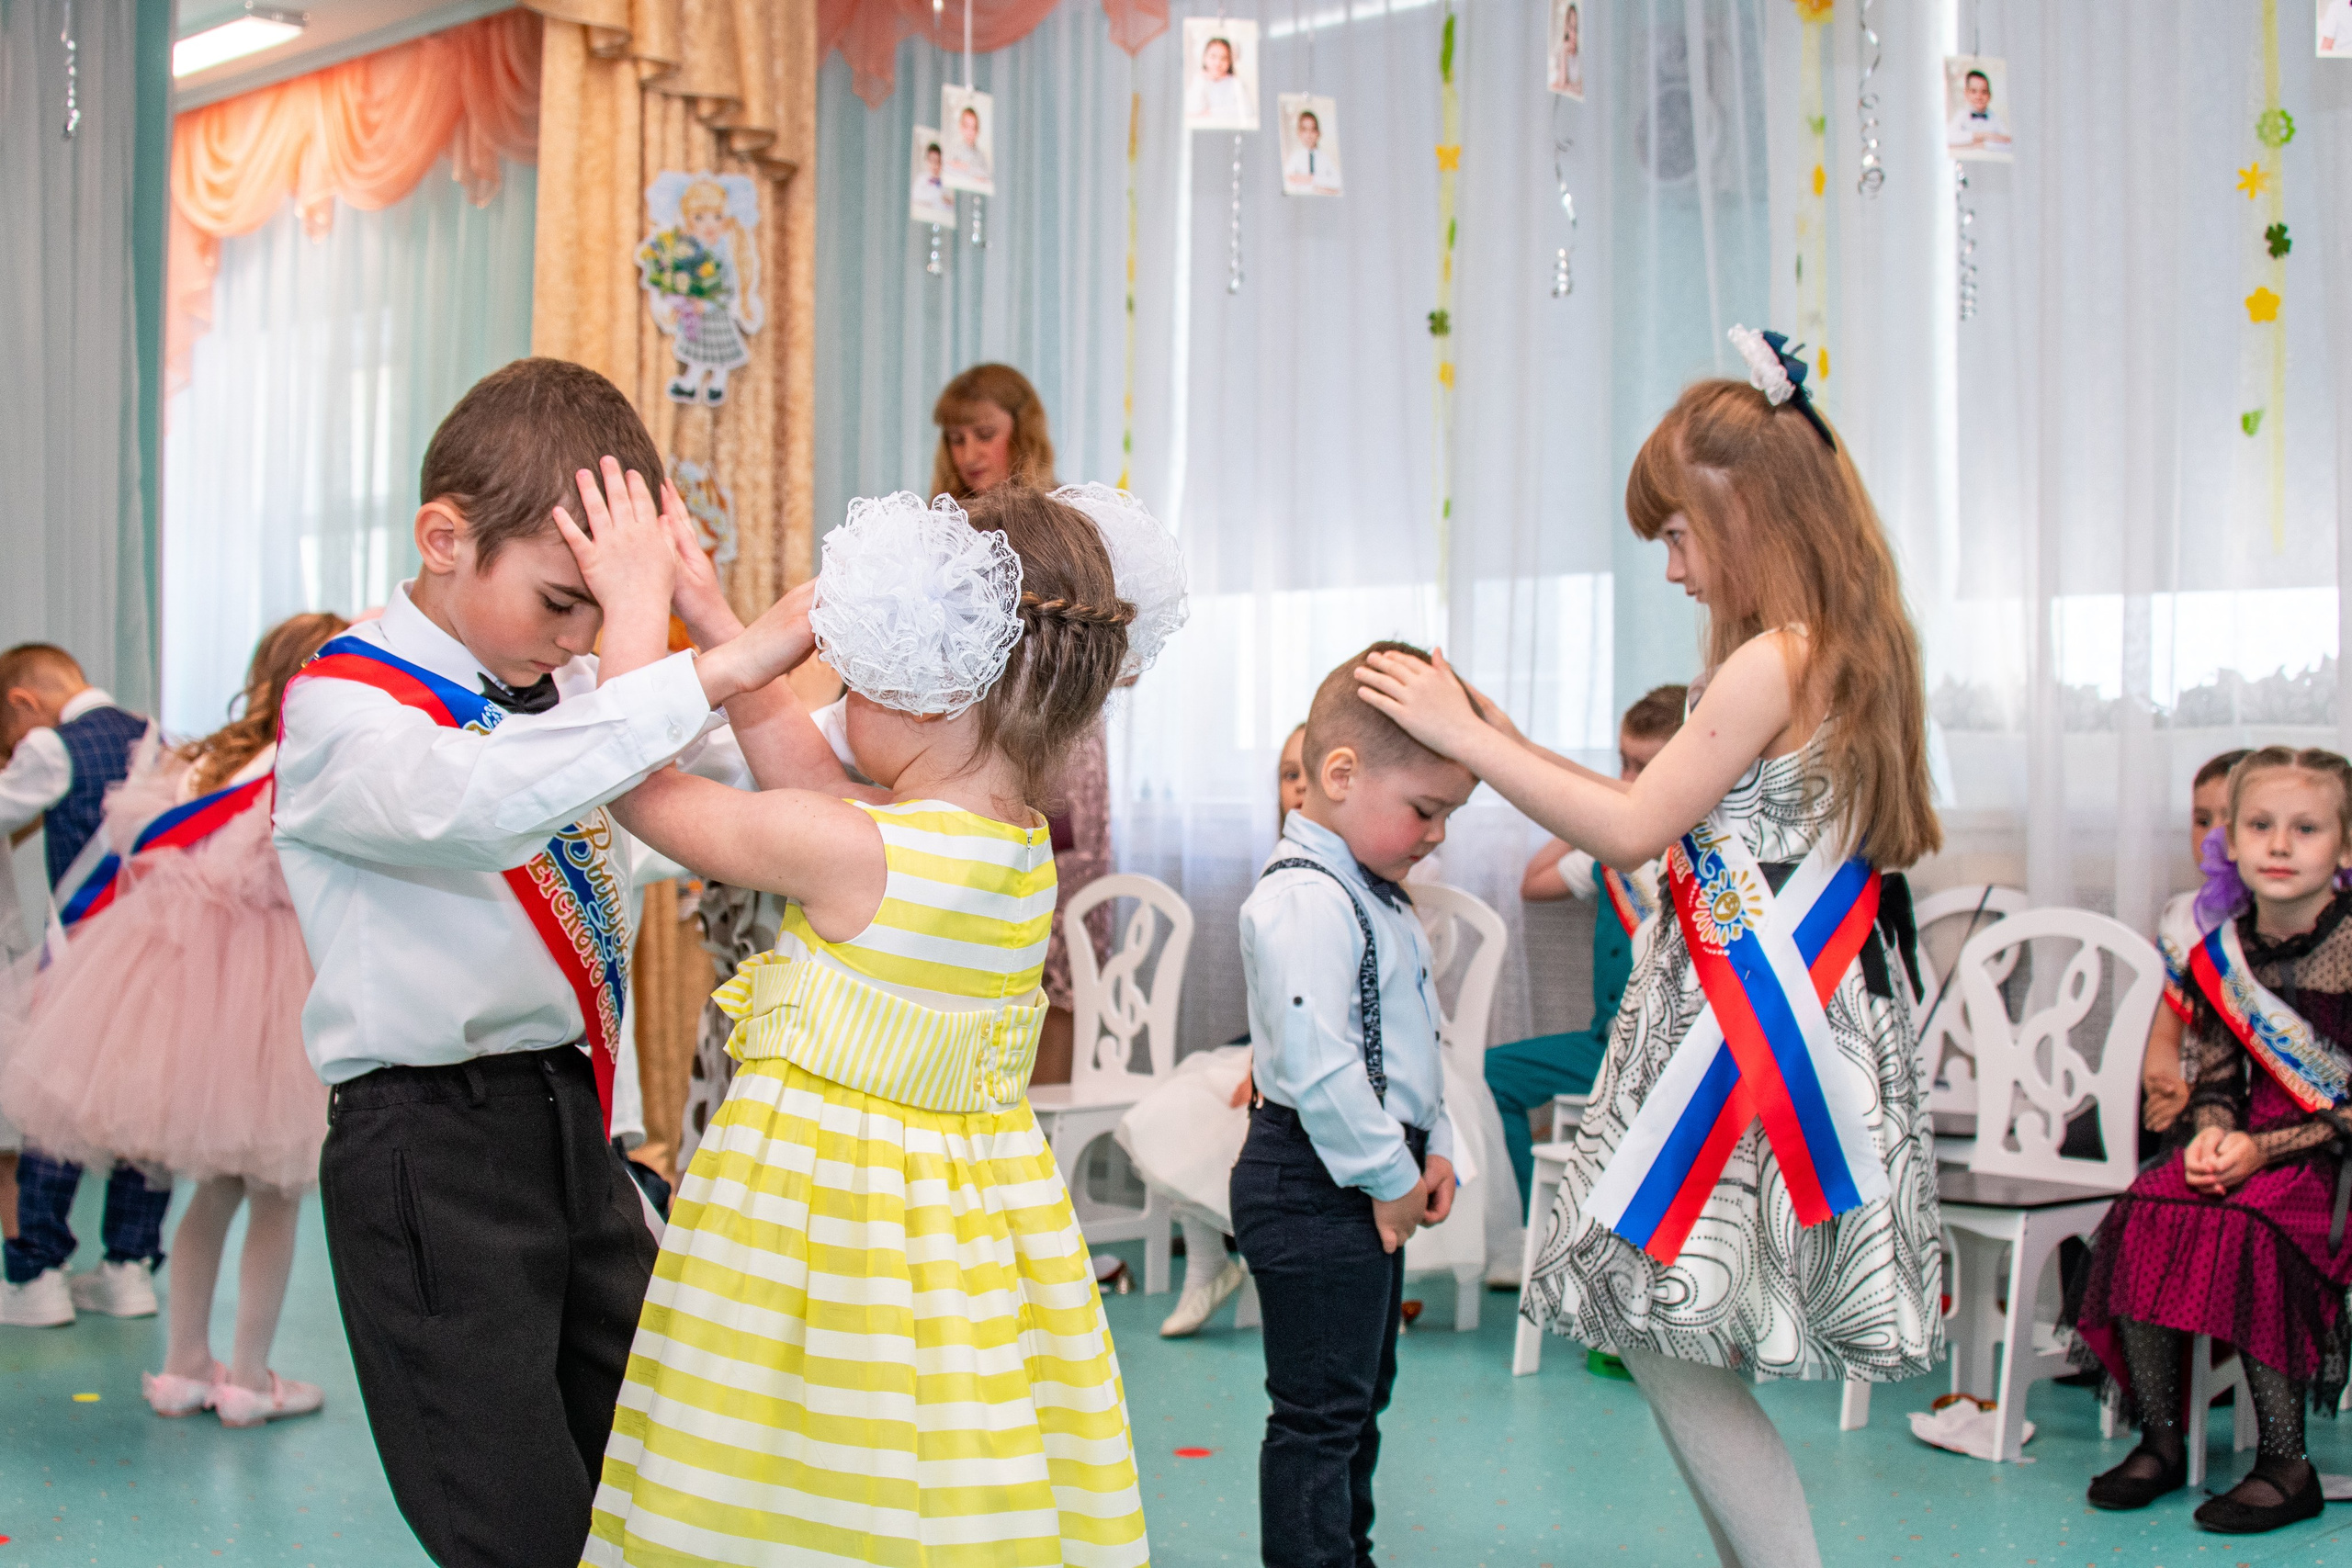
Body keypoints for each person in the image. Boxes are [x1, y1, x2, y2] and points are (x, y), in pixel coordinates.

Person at [1357, 334, 1942, 1568]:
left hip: (1747, 1033)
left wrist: (1465, 730)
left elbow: (1629, 826)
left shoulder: (1766, 656)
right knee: (1674, 1332)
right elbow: (1665, 814)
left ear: (1745, 515)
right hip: (1786, 1011)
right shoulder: (1830, 648)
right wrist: (1508, 741)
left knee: (1667, 1336)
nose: (1672, 568)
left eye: (1677, 535)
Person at [271, 357, 804, 1567]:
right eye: (564, 600)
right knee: (511, 1520)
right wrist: (699, 664)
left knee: (641, 1489)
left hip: (576, 1130)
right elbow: (487, 804)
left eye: (599, 611)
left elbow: (759, 770)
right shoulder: (343, 708)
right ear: (445, 537)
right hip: (431, 1152)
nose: (581, 639)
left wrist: (718, 628)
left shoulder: (567, 699)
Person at [579, 485, 1159, 1568]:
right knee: (927, 1451)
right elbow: (807, 779)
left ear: (936, 695)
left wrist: (633, 603)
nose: (835, 704)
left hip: (820, 1224)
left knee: (784, 1458)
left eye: (852, 679)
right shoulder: (1008, 842)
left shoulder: (859, 850)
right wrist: (712, 616)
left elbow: (634, 790)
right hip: (956, 1232)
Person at [0, 613, 344, 1421]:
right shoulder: (308, 760)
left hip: (193, 984)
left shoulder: (205, 759)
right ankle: (251, 1381)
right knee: (276, 1192)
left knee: (216, 1185)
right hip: (269, 983)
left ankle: (187, 1363)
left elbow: (149, 847)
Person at [2075, 747, 2352, 1534]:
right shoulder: (2215, 954)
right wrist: (2211, 1133)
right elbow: (2220, 1080)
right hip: (2255, 1144)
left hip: (2332, 1158)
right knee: (2150, 1205)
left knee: (2251, 1226)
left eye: (2306, 828)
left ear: (2345, 847)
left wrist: (2260, 1150)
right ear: (2229, 842)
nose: (2279, 843)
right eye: (2260, 825)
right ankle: (2162, 1439)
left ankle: (2286, 1460)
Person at [1233, 644, 1467, 1568]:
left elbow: (1417, 1041)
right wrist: (1389, 1177)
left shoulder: (1385, 902)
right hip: (1311, 1179)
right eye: (1425, 809)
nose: (1437, 833)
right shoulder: (1302, 899)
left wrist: (1434, 1143)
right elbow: (1319, 1065)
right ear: (1339, 775)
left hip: (1368, 1175)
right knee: (1316, 1418)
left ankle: (1347, 1554)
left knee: (1359, 1398)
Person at [0, 642, 173, 1329]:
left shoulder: (49, 746)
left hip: (83, 958)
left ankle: (37, 1273)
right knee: (150, 1109)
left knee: (57, 1109)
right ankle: (128, 1267)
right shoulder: (156, 736)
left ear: (24, 704)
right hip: (158, 956)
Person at [1120, 720, 1307, 1338]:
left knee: (1232, 1110)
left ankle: (1266, 1267)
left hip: (1333, 1050)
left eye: (1311, 771)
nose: (1300, 787)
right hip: (1275, 1040)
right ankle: (1209, 1263)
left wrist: (1269, 1061)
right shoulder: (1280, 867)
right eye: (1288, 774)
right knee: (1178, 1102)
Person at [1485, 683, 1685, 1211]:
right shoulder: (1613, 854)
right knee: (1489, 1075)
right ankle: (1532, 1224)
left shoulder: (1697, 859)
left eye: (1644, 767)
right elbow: (1534, 883)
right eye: (1622, 763)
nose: (1627, 781)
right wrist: (1585, 815)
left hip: (1668, 1055)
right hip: (1604, 1045)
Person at [2142, 749, 2254, 1135]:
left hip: (2254, 1115)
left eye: (2232, 819)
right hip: (2186, 1098)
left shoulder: (2289, 923)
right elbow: (2164, 1033)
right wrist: (2165, 1084)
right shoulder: (2180, 916)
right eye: (2202, 820)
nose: (2213, 836)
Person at [1946, 68, 2012, 155]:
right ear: (1966, 94)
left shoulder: (1995, 118)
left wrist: (1983, 145)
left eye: (1984, 92)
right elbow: (1949, 138)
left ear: (1989, 95)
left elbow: (2008, 142)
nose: (1979, 96)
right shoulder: (1962, 115)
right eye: (1974, 91)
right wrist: (1981, 135)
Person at [1186, 34, 1250, 125]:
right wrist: (1200, 81)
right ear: (1204, 58)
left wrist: (1212, 113)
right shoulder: (1199, 80)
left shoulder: (1236, 83)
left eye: (1224, 58)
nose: (1217, 63)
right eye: (1213, 56)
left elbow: (1247, 110)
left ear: (1230, 61)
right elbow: (1192, 110)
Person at [1282, 109, 1341, 196]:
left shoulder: (1325, 158)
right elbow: (1288, 180)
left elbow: (1337, 182)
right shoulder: (1295, 157)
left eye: (1313, 130)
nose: (1309, 135)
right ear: (1299, 133)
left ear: (1318, 133)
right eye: (1304, 130)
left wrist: (1311, 179)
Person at [946, 102, 992, 185]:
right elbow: (947, 169)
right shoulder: (954, 150)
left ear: (978, 131)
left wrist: (966, 167)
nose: (970, 132)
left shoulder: (980, 156)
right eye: (967, 126)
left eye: (973, 128)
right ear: (961, 127)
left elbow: (986, 174)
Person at [1549, 2, 1584, 96]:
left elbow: (1583, 88)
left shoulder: (1581, 55)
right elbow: (1562, 85)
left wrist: (1568, 86)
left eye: (1576, 29)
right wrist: (1564, 52)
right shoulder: (1560, 52)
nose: (1574, 34)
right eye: (1571, 28)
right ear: (1567, 28)